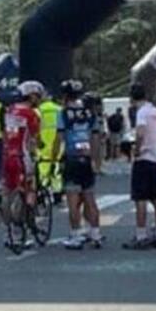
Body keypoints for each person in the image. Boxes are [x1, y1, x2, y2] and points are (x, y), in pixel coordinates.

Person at [52, 80, 103, 250]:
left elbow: (58, 138)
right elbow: (95, 139)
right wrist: (96, 161)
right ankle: (95, 234)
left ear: (65, 96)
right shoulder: (90, 113)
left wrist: (53, 158)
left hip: (72, 159)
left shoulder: (64, 113)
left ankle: (75, 236)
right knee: (90, 199)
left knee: (72, 201)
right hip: (87, 160)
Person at [123, 84, 156, 250]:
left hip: (143, 158)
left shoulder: (141, 112)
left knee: (140, 199)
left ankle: (141, 234)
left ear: (132, 98)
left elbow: (140, 132)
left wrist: (137, 150)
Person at [1, 81, 43, 245]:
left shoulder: (9, 110)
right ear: (31, 95)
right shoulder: (31, 114)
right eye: (37, 96)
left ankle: (7, 233)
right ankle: (20, 232)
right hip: (22, 156)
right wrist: (39, 147)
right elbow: (34, 139)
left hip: (6, 156)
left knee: (7, 194)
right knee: (28, 191)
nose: (38, 100)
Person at [37, 87, 64, 203]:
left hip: (42, 142)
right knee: (56, 167)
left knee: (42, 167)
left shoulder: (38, 110)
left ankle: (42, 192)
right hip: (57, 141)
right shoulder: (59, 109)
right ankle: (57, 193)